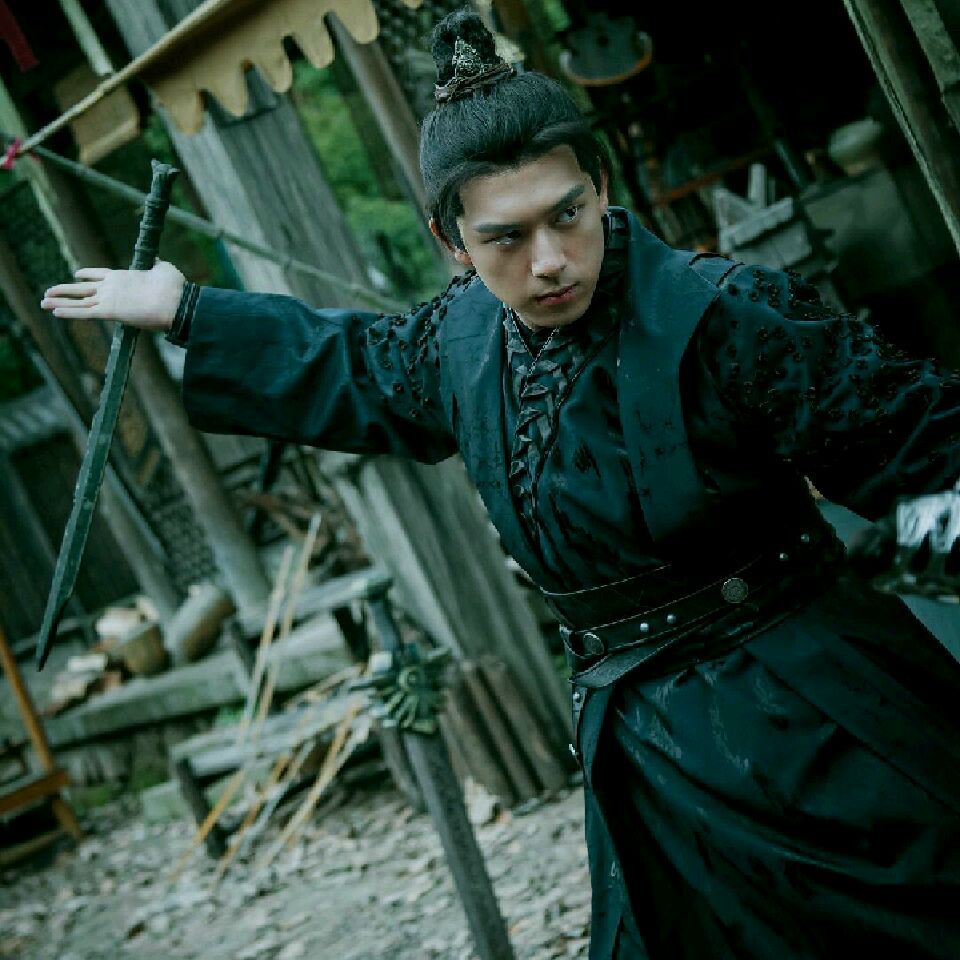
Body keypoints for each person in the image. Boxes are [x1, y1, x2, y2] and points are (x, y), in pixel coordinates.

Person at [41, 10, 960, 959]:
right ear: (452, 242)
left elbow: (924, 444)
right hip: (648, 746)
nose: (550, 259)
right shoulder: (460, 341)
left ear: (600, 188)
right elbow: (351, 363)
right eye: (505, 237)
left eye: (567, 214)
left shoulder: (727, 315)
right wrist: (187, 309)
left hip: (813, 710)